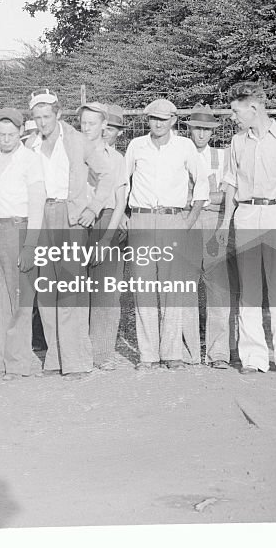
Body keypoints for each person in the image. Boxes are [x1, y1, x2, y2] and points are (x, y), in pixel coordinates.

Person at [107, 98, 208, 371]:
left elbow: (202, 183)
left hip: (172, 220)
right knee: (144, 288)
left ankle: (172, 353)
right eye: (153, 118)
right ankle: (148, 355)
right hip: (140, 219)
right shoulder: (136, 146)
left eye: (164, 119)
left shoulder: (185, 146)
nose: (158, 124)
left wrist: (188, 220)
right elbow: (122, 182)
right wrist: (125, 216)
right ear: (147, 120)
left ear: (174, 120)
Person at [216, 83, 276, 379]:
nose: (233, 117)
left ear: (253, 108)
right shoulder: (237, 141)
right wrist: (224, 223)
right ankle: (253, 358)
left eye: (235, 111)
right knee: (250, 289)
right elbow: (230, 183)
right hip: (246, 215)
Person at [28, 89, 116, 379]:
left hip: (72, 217)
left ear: (58, 114)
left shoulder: (78, 141)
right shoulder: (31, 145)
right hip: (43, 215)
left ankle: (76, 360)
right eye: (37, 117)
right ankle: (55, 358)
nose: (42, 122)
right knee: (47, 291)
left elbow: (108, 176)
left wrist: (93, 208)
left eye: (46, 116)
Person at [0, 108, 46, 380]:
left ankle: (17, 363)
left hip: (18, 229)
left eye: (11, 134)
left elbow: (38, 204)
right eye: (1, 133)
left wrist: (30, 245)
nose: (6, 139)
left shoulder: (31, 160)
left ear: (21, 132)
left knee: (20, 300)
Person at [182, 104, 236, 369]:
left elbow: (225, 196)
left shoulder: (223, 157)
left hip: (214, 223)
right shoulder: (180, 153)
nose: (201, 134)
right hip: (188, 224)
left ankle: (219, 353)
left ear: (212, 132)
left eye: (206, 129)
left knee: (218, 287)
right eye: (197, 129)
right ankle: (188, 351)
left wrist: (199, 199)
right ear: (189, 129)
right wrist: (205, 200)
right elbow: (177, 196)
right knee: (185, 285)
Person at [77, 102, 125, 371]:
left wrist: (107, 239)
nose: (86, 128)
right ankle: (78, 352)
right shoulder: (72, 153)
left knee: (106, 292)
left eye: (92, 123)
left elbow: (119, 203)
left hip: (105, 222)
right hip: (76, 223)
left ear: (104, 126)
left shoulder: (115, 159)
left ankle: (102, 353)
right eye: (83, 123)